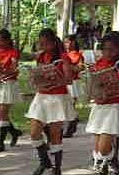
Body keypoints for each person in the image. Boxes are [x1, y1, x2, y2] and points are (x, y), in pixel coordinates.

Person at [25, 28, 76, 175]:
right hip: (42, 97)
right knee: (34, 132)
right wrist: (36, 78)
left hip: (58, 98)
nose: (42, 46)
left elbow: (69, 79)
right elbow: (38, 75)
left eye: (45, 44)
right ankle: (44, 162)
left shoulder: (63, 57)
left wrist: (55, 78)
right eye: (40, 44)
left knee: (55, 136)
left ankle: (57, 168)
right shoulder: (40, 57)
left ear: (53, 43)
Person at [85, 34, 119, 175]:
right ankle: (109, 166)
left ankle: (109, 164)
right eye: (105, 49)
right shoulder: (98, 64)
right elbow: (92, 88)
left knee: (103, 148)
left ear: (118, 49)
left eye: (112, 49)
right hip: (100, 107)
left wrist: (114, 84)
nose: (108, 53)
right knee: (99, 150)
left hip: (114, 107)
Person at [0, 29, 23, 153]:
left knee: (3, 113)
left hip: (9, 83)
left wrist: (2, 70)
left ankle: (1, 142)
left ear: (8, 40)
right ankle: (14, 132)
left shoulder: (13, 52)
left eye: (0, 40)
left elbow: (14, 69)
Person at [62, 34, 84, 138]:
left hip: (73, 81)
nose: (67, 44)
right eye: (65, 42)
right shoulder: (63, 54)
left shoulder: (78, 55)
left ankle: (71, 124)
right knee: (66, 104)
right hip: (64, 81)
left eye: (68, 42)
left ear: (73, 42)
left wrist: (67, 66)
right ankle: (71, 122)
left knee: (70, 103)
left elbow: (79, 68)